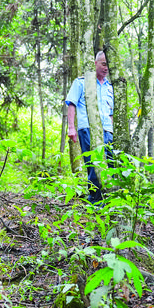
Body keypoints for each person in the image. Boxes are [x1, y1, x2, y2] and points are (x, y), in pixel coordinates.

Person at [65, 51, 114, 203]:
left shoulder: (110, 87)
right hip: (88, 128)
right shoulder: (81, 82)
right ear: (95, 63)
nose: (106, 68)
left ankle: (108, 200)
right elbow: (71, 104)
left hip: (108, 130)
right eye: (103, 64)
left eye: (108, 65)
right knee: (93, 163)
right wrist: (71, 128)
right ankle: (94, 201)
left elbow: (111, 113)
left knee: (110, 164)